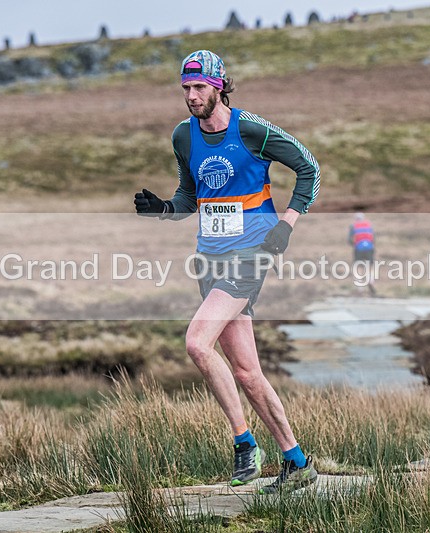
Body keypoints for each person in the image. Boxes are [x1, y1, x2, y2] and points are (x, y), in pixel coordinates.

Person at [133, 50, 320, 494]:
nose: (191, 96)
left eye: (199, 87)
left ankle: (243, 443)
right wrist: (163, 209)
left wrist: (286, 225)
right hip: (209, 259)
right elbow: (189, 196)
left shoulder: (251, 130)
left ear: (219, 87)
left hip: (250, 254)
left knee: (197, 343)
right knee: (247, 373)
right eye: (185, 88)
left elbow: (308, 169)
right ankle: (297, 461)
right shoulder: (183, 137)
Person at [348, 213, 376, 296]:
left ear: (355, 218)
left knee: (358, 267)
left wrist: (354, 245)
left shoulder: (353, 226)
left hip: (358, 248)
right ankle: (370, 280)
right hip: (369, 248)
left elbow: (349, 239)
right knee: (369, 266)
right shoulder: (368, 225)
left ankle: (360, 287)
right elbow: (373, 238)